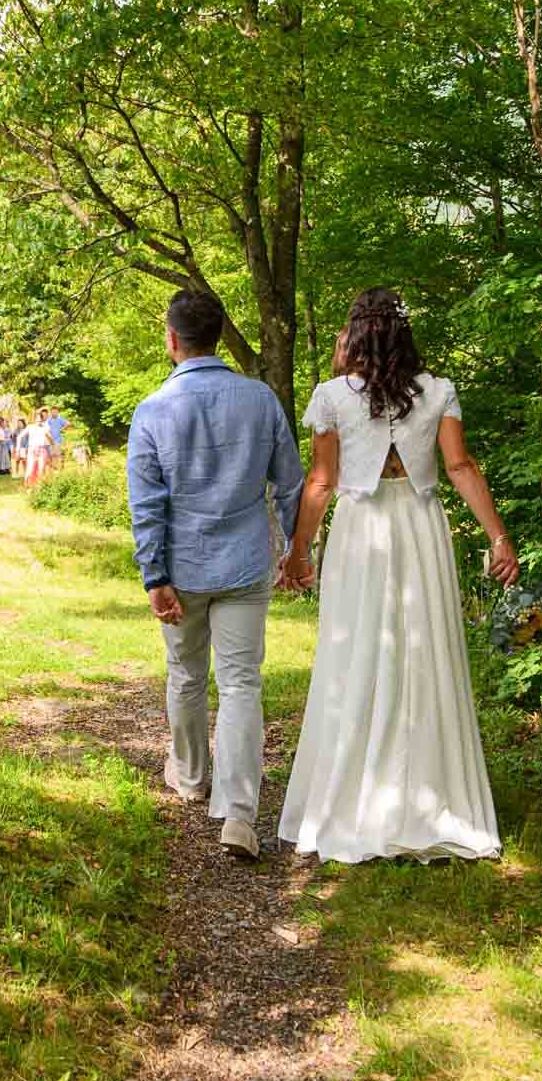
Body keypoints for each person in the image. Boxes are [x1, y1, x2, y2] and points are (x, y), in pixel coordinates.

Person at [276, 289, 520, 864]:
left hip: (362, 532)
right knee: (423, 651)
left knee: (354, 650)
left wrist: (298, 549)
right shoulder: (436, 392)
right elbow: (459, 466)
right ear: (405, 335)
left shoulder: (333, 397)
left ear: (356, 335)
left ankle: (357, 796)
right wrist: (498, 537)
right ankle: (427, 794)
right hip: (420, 529)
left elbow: (321, 482)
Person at [128, 288, 303, 860]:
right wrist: (297, 551)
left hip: (182, 568)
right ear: (222, 334)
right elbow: (290, 483)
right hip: (246, 564)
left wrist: (155, 576)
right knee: (241, 684)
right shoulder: (260, 400)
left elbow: (146, 504)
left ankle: (190, 777)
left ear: (171, 338)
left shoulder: (152, 410)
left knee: (184, 673)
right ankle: (240, 815)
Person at [23, 411, 53, 486]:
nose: (38, 421)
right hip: (32, 449)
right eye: (37, 420)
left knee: (41, 468)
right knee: (30, 468)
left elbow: (50, 438)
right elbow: (20, 436)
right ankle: (27, 484)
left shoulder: (44, 428)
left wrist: (52, 443)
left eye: (40, 420)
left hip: (42, 449)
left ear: (42, 420)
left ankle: (39, 485)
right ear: (34, 420)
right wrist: (17, 449)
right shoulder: (30, 427)